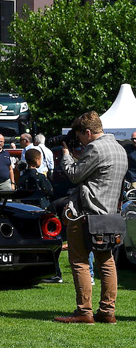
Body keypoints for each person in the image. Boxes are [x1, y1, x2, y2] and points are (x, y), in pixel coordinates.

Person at [54, 111, 127, 324]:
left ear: (88, 132)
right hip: (110, 215)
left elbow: (75, 174)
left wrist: (66, 153)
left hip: (87, 215)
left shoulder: (95, 147)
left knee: (79, 262)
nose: (80, 141)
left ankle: (84, 311)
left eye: (81, 136)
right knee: (107, 262)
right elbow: (96, 172)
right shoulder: (119, 148)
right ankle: (107, 311)